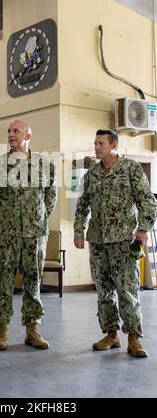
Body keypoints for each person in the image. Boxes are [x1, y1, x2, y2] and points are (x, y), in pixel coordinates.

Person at [74, 129, 157, 358]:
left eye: (100, 143)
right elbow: (82, 206)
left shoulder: (130, 169)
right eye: (95, 143)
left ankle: (134, 338)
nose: (96, 146)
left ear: (114, 146)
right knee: (103, 290)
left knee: (127, 290)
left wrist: (142, 229)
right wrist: (78, 230)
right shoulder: (91, 173)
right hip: (98, 241)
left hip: (123, 241)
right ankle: (111, 334)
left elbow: (148, 202)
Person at [0, 120, 57, 350]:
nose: (11, 135)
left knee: (33, 284)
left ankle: (32, 330)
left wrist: (36, 219)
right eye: (9, 132)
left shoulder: (45, 166)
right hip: (4, 236)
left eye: (16, 131)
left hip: (34, 236)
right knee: (2, 284)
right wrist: (3, 221)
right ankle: (1, 331)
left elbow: (50, 198)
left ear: (28, 135)